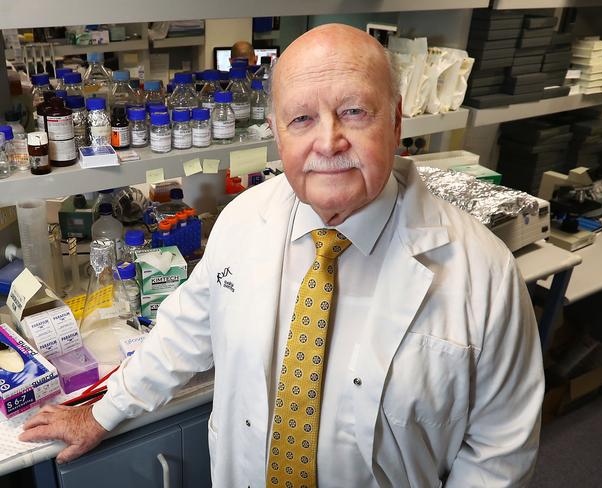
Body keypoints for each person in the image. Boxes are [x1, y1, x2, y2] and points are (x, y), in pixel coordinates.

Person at [21, 24, 544, 487]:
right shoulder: (245, 221)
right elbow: (183, 331)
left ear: (396, 123)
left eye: (354, 111)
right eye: (301, 118)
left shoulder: (484, 272)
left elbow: (499, 453)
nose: (329, 141)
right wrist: (100, 414)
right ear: (276, 132)